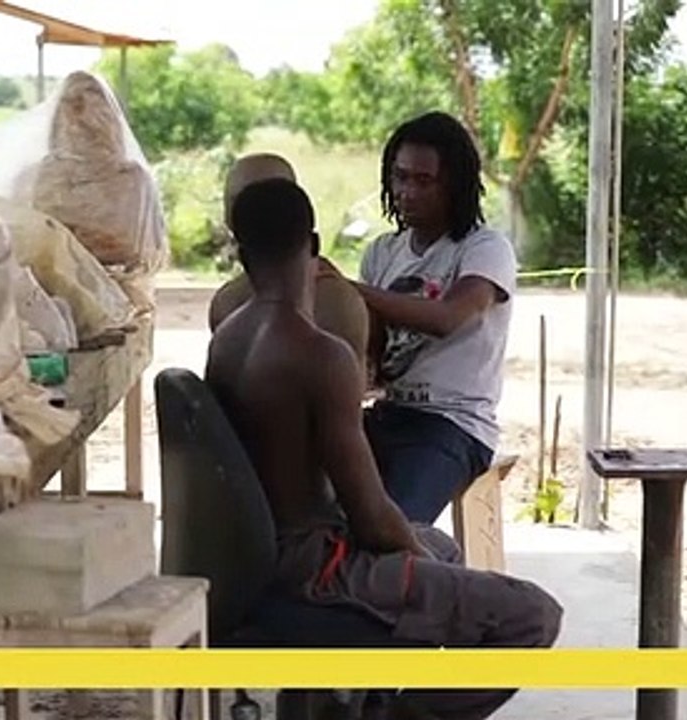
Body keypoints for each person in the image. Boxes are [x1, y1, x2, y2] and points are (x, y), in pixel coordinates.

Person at [206, 177, 560, 720]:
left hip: (257, 559)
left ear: (238, 250)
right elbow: (371, 518)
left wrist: (421, 555)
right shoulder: (321, 356)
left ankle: (353, 700)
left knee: (441, 546)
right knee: (530, 615)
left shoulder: (228, 337)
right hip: (314, 570)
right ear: (316, 245)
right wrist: (411, 556)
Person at [318, 111, 517, 524]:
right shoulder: (382, 252)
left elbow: (447, 317)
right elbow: (368, 339)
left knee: (394, 527)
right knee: (315, 505)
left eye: (423, 181)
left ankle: (408, 580)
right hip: (389, 414)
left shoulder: (484, 248)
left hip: (453, 424)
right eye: (400, 177)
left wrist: (348, 289)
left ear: (455, 185)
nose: (407, 191)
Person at [208, 153, 371, 378]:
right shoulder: (226, 303)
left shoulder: (339, 304)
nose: (255, 212)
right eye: (240, 202)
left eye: (270, 200)